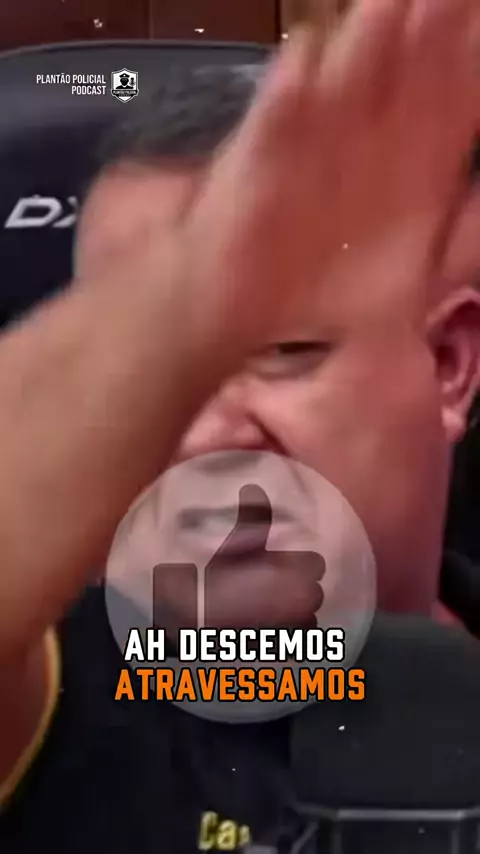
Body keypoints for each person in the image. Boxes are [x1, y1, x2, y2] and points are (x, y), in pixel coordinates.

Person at [0, 1, 479, 850]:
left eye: (284, 350)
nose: (200, 437)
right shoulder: (61, 694)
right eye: (145, 375)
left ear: (449, 364)